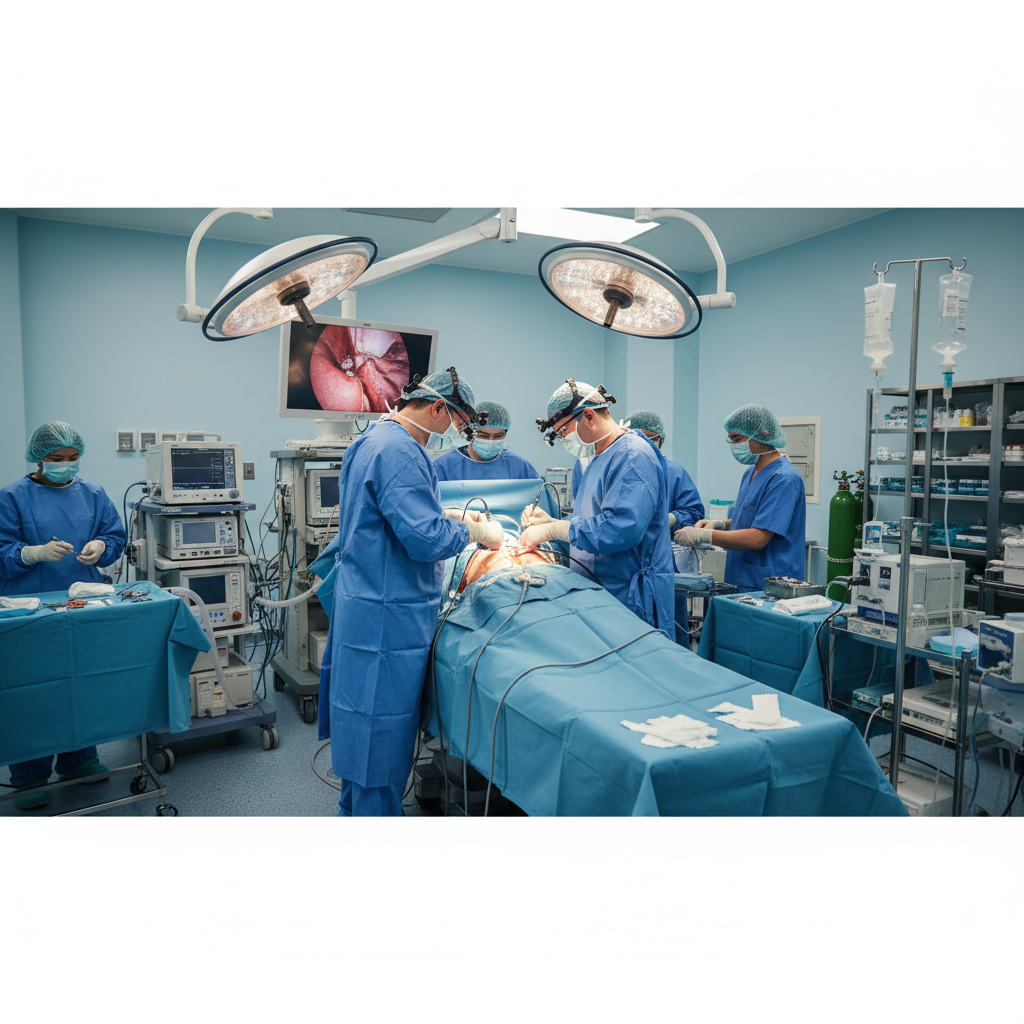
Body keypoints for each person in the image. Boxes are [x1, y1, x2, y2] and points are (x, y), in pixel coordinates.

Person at [317, 367, 504, 816]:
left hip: (366, 603)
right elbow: (422, 538)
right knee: (378, 739)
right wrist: (474, 533)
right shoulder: (401, 450)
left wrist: (449, 518)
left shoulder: (371, 441)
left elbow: (394, 516)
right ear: (438, 407)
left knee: (362, 735)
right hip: (388, 618)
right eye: (457, 424)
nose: (456, 435)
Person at [0, 421, 127, 810]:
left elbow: (115, 538)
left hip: (81, 601)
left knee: (80, 682)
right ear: (39, 457)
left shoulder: (93, 493)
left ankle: (79, 759)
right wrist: (31, 553)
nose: (66, 465)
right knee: (33, 689)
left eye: (73, 459)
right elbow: (2, 551)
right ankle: (29, 775)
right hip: (28, 606)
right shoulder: (12, 497)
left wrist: (100, 547)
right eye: (57, 459)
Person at [520, 379, 676, 640]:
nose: (563, 440)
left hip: (629, 598)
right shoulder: (596, 459)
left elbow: (620, 529)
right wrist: (552, 521)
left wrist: (556, 530)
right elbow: (593, 518)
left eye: (563, 432)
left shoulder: (632, 456)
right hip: (599, 591)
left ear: (589, 416)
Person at [674, 403, 806, 591]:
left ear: (762, 434)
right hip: (741, 577)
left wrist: (704, 535)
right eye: (731, 440)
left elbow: (757, 538)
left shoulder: (784, 478)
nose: (734, 445)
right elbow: (747, 519)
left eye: (737, 438)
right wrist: (719, 524)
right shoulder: (750, 473)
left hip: (771, 585)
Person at [433, 400, 541, 482]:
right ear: (470, 433)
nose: (491, 441)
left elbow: (539, 503)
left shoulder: (519, 467)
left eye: (498, 436)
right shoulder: (444, 467)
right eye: (484, 436)